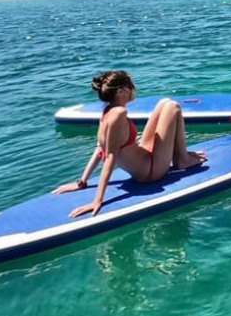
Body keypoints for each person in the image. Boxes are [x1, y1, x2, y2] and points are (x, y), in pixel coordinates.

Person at [52, 70, 207, 216]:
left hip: (146, 156)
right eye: (130, 86)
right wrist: (97, 201)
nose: (134, 88)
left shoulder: (107, 110)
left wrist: (81, 182)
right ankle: (182, 159)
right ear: (120, 91)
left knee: (164, 102)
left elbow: (100, 148)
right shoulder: (119, 113)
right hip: (151, 171)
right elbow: (109, 156)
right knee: (173, 107)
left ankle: (182, 155)